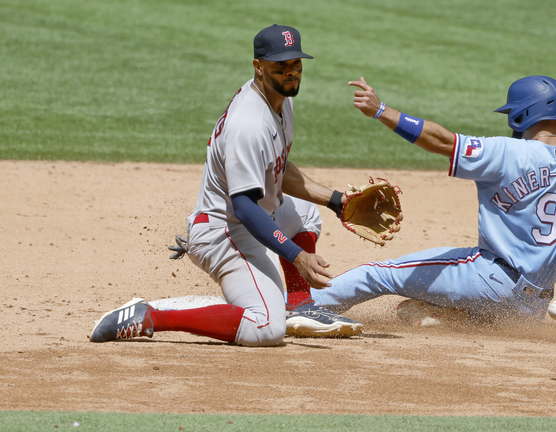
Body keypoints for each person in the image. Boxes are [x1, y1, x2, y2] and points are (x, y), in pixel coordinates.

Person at [310, 75, 556, 324]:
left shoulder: (508, 153)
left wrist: (382, 110)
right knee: (427, 308)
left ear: (523, 115)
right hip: (532, 308)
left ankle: (304, 306)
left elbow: (442, 141)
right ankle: (445, 318)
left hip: (489, 281)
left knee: (381, 272)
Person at [89, 24, 363, 347]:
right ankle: (151, 315)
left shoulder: (280, 100)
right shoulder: (249, 124)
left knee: (306, 214)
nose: (291, 73)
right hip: (224, 232)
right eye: (281, 66)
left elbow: (277, 169)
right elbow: (246, 208)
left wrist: (337, 201)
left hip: (250, 218)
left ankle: (299, 306)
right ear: (258, 68)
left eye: (296, 64)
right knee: (266, 329)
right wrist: (296, 255)